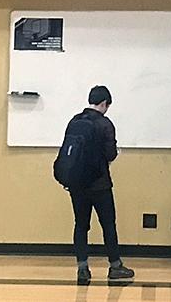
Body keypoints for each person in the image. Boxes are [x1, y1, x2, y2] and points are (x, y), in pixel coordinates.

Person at [61, 85, 135, 284]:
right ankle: (115, 265)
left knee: (81, 225)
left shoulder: (74, 121)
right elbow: (110, 154)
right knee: (108, 224)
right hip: (100, 184)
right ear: (104, 103)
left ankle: (82, 268)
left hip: (77, 185)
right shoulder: (105, 124)